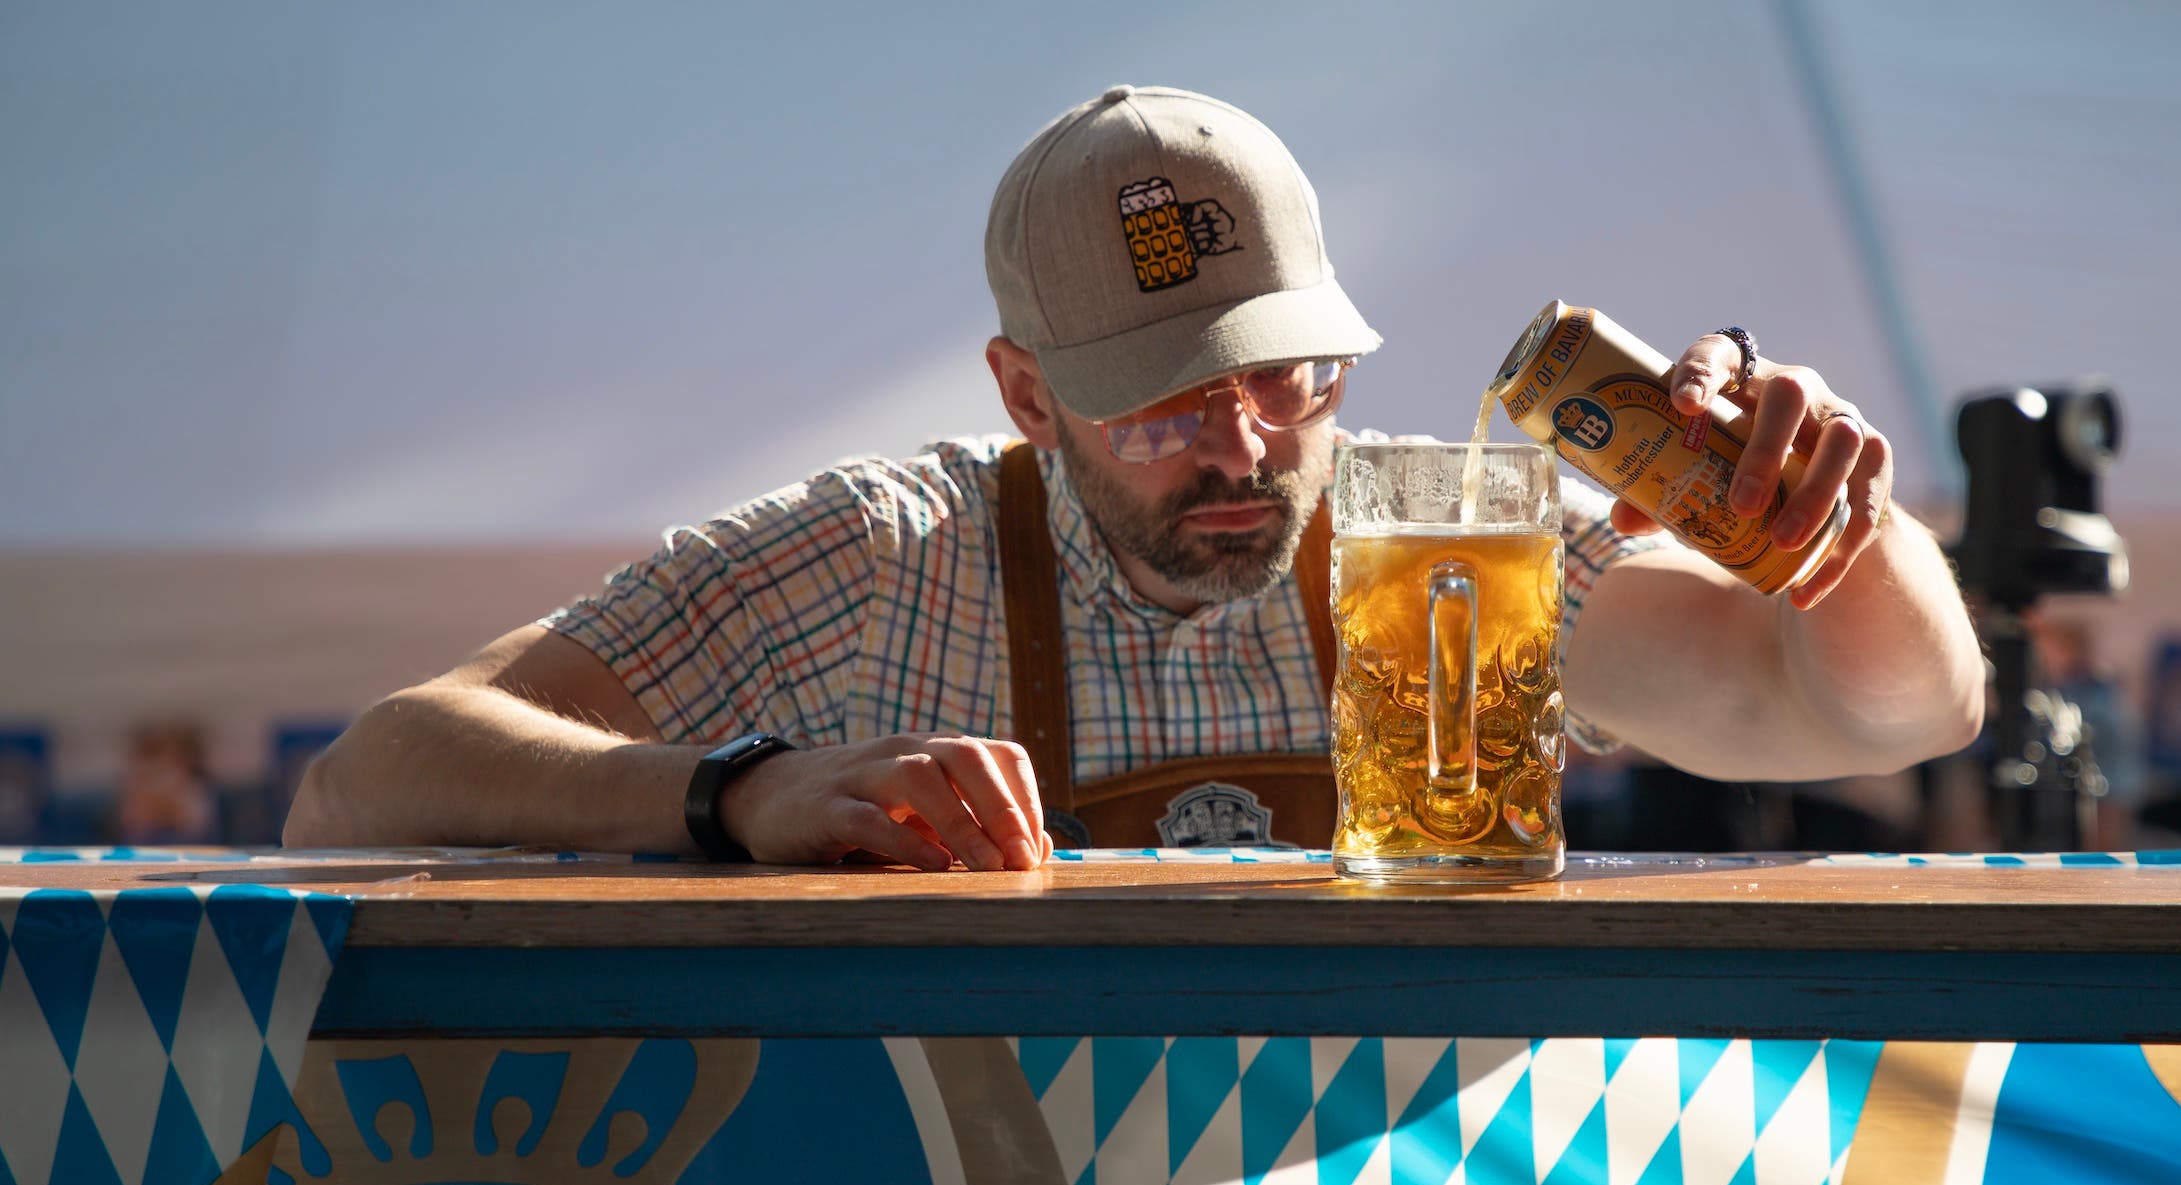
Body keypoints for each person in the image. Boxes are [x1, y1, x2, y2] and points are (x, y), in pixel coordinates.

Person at [285, 85, 1983, 868]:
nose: (1244, 448)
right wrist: (734, 788)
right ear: (1025, 395)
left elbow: (1882, 713)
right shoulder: (883, 552)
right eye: (1161, 406)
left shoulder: (1436, 532)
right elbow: (365, 781)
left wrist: (1842, 537)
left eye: (1288, 380)